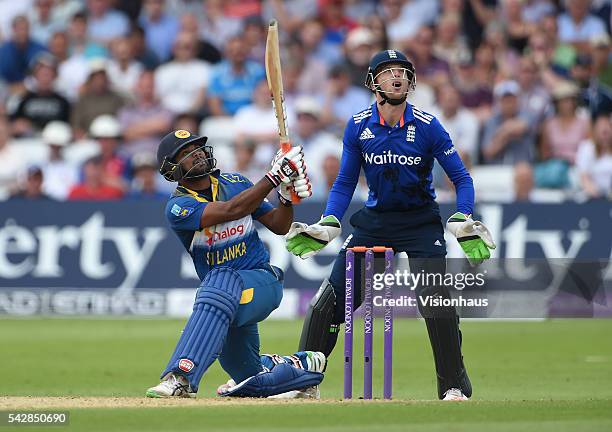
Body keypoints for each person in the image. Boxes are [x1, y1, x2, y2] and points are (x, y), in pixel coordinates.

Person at [285, 50, 496, 401]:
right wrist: (331, 221)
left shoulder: (429, 126)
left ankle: (453, 384)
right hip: (375, 222)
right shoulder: (358, 125)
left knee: (434, 300)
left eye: (403, 72)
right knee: (329, 302)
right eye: (388, 72)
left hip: (421, 223)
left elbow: (461, 178)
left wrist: (462, 216)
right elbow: (344, 182)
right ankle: (304, 380)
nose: (397, 77)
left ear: (411, 82)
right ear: (373, 82)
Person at [146, 129, 322, 398]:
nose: (197, 155)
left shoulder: (236, 182)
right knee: (248, 377)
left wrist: (286, 198)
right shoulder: (178, 207)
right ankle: (297, 369)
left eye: (198, 148)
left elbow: (279, 224)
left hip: (261, 282)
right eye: (186, 154)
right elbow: (231, 210)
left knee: (218, 281)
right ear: (172, 169)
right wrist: (273, 178)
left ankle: (180, 377)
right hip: (225, 301)